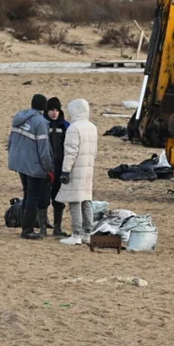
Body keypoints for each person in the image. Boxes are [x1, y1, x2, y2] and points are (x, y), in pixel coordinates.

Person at [8, 93, 54, 241]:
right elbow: (43, 150)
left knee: (27, 194)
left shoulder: (20, 117)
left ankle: (25, 226)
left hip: (20, 163)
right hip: (33, 165)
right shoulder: (40, 123)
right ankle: (27, 230)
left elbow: (11, 140)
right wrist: (49, 168)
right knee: (33, 197)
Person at [57, 99, 98, 246]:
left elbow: (70, 152)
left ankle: (76, 234)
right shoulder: (92, 127)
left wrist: (65, 170)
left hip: (76, 169)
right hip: (88, 168)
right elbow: (94, 151)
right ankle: (88, 233)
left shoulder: (74, 128)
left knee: (75, 201)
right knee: (87, 200)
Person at [45, 98, 69, 237]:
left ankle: (57, 227)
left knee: (58, 198)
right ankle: (42, 226)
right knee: (43, 199)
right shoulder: (43, 124)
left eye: (56, 110)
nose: (54, 113)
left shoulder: (65, 125)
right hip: (46, 167)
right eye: (52, 110)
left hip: (60, 167)